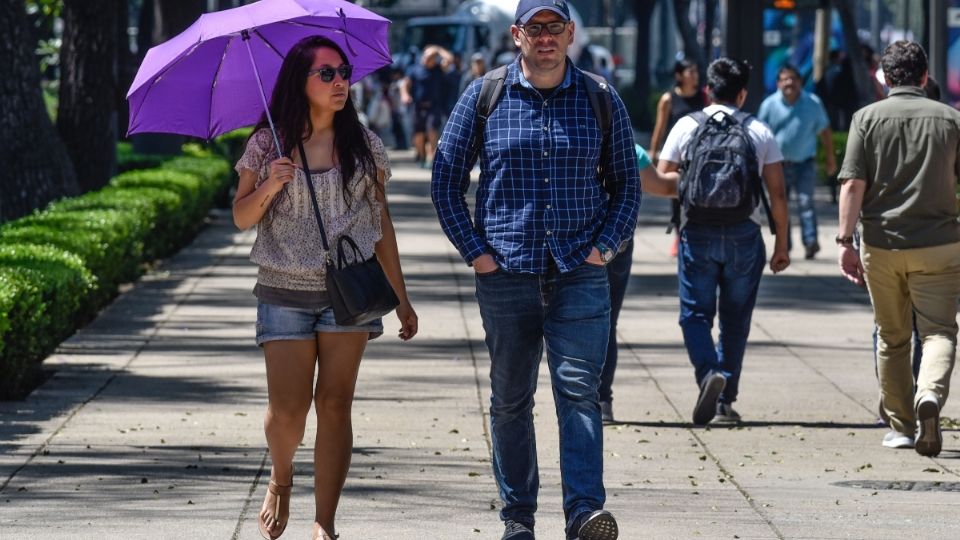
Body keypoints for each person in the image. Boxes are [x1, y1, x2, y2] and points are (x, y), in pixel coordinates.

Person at [431, 0, 640, 538]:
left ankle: (584, 513)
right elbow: (445, 180)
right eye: (534, 28)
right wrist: (476, 253)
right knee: (510, 400)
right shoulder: (484, 96)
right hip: (506, 274)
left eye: (555, 27)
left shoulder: (601, 97)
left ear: (570, 33)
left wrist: (605, 249)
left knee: (579, 391)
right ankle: (518, 517)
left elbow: (626, 186)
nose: (545, 37)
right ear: (517, 35)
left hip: (580, 271)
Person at [232, 36, 418, 540]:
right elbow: (241, 216)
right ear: (302, 82)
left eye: (344, 72)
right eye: (328, 74)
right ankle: (281, 474)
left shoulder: (365, 145)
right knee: (288, 412)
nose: (341, 82)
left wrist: (401, 298)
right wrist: (271, 184)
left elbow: (381, 223)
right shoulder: (268, 144)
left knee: (335, 404)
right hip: (283, 293)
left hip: (349, 295)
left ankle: (325, 523)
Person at [836, 40, 960, 457]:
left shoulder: (865, 118)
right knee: (939, 331)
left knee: (892, 338)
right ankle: (929, 395)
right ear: (925, 77)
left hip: (881, 244)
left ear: (885, 79)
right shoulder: (950, 120)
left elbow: (853, 183)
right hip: (941, 244)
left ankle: (902, 426)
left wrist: (844, 241)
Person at [655, 57, 790, 426]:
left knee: (694, 314)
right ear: (742, 93)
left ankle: (707, 372)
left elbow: (664, 179)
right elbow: (778, 194)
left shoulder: (687, 125)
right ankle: (723, 402)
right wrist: (782, 244)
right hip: (745, 235)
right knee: (735, 320)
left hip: (696, 232)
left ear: (709, 90)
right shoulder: (758, 130)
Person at [599, 144, 680, 424]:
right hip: (614, 243)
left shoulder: (562, 136)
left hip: (568, 240)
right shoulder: (628, 149)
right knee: (606, 322)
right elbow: (664, 187)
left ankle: (574, 398)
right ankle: (602, 401)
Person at [758, 64, 836, 260]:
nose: (789, 83)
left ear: (800, 82)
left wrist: (830, 158)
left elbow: (825, 131)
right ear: (778, 83)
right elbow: (759, 135)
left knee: (806, 202)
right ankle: (785, 244)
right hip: (778, 166)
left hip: (805, 164)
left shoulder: (812, 103)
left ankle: (810, 242)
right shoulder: (769, 105)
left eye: (793, 79)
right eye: (785, 79)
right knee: (780, 205)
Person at [649, 59, 707, 257]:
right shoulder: (669, 99)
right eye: (690, 71)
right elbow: (660, 128)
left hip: (701, 155)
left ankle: (695, 234)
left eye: (696, 71)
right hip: (676, 157)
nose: (695, 75)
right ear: (679, 75)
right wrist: (654, 154)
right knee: (677, 197)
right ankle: (679, 236)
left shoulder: (705, 97)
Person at [401, 44, 453, 167]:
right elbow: (405, 84)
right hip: (417, 106)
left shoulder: (438, 69)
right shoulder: (414, 69)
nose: (426, 59)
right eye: (425, 56)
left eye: (430, 57)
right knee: (418, 132)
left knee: (432, 129)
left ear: (435, 59)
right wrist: (405, 95)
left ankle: (432, 157)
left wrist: (438, 49)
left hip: (434, 106)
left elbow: (450, 59)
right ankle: (421, 156)